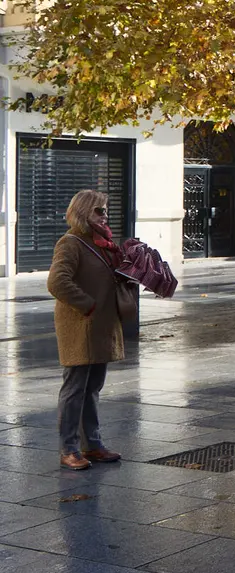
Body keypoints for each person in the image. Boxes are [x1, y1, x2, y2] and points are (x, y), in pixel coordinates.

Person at [46, 190, 129, 471]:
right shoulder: (70, 243)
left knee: (92, 388)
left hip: (101, 325)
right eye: (99, 210)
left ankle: (92, 444)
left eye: (105, 210)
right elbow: (57, 282)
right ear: (83, 213)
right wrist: (87, 305)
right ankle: (68, 449)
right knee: (74, 388)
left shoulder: (102, 243)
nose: (104, 215)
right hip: (81, 325)